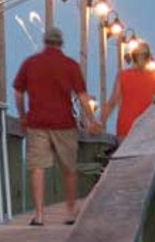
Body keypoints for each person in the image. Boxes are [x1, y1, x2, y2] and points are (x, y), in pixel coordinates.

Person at [13, 26, 101, 226]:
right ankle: (70, 212)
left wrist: (22, 116)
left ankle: (39, 214)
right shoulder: (70, 65)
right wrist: (92, 121)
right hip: (64, 123)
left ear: (45, 42)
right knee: (68, 168)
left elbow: (18, 93)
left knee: (37, 167)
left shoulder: (30, 63)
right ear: (61, 43)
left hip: (37, 122)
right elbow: (82, 96)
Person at [101, 41, 155, 141]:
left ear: (133, 57)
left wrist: (100, 122)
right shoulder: (154, 78)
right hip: (147, 128)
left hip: (126, 127)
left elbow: (112, 102)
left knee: (124, 156)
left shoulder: (123, 76)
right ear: (149, 58)